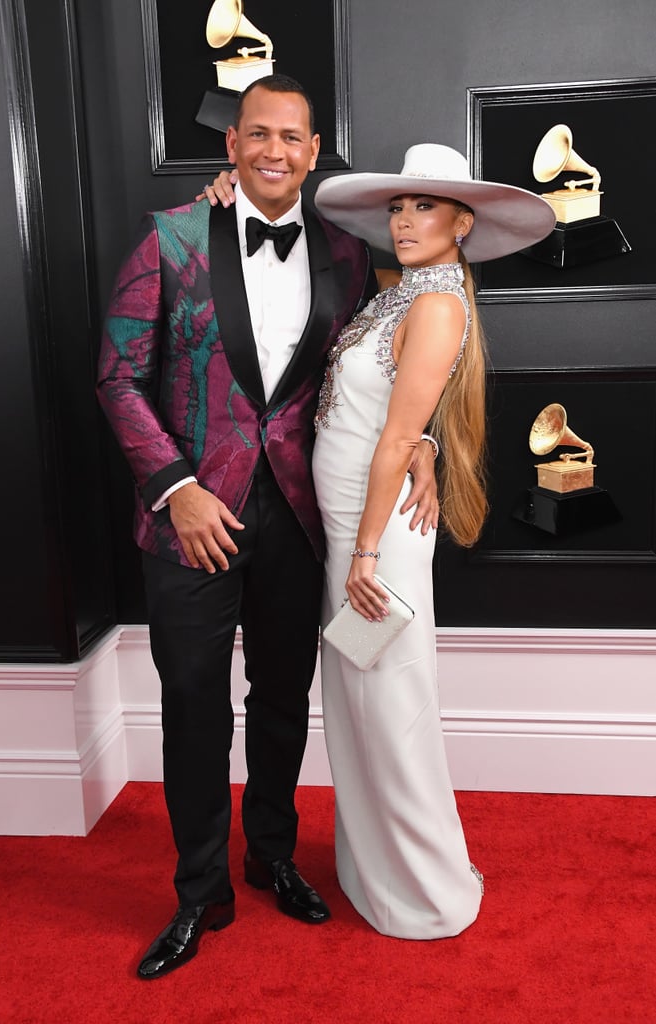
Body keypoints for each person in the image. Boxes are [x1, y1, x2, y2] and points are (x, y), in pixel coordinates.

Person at [97, 75, 438, 980]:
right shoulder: (168, 238)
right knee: (195, 711)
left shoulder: (345, 251)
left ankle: (271, 855)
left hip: (297, 515)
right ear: (234, 145)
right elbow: (118, 380)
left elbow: (379, 368)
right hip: (191, 524)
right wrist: (175, 487)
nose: (274, 151)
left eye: (292, 137)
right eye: (258, 135)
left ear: (314, 149)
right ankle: (198, 892)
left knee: (284, 701)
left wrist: (426, 439)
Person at [309, 143, 555, 938]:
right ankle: (374, 865)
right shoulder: (401, 291)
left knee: (390, 703)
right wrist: (428, 450)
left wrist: (367, 553)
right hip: (353, 525)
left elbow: (393, 436)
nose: (405, 220)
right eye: (399, 206)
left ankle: (426, 890)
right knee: (357, 703)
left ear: (462, 222)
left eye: (424, 207)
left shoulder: (439, 303)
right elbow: (401, 421)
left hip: (372, 536)